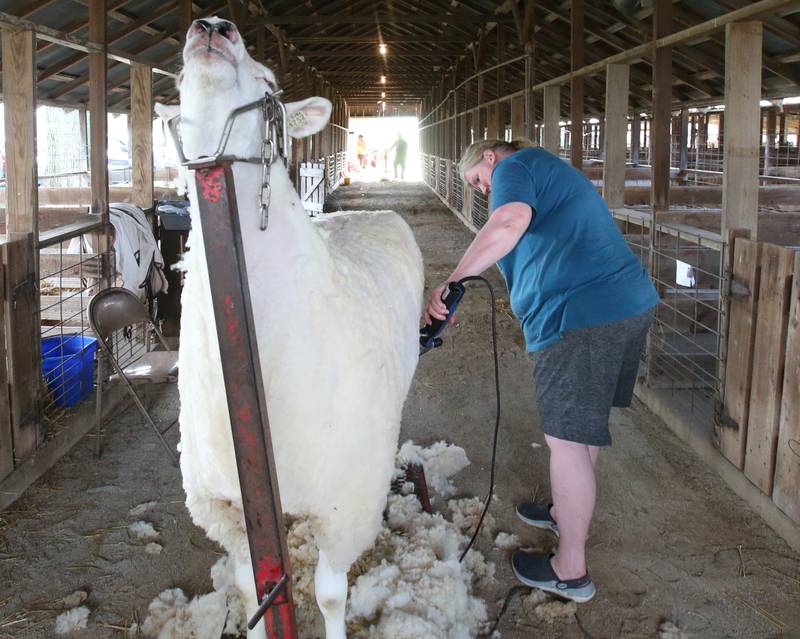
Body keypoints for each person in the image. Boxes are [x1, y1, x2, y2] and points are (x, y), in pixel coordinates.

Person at [423, 139, 659, 603]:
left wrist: (453, 281)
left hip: (583, 316)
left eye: (477, 179)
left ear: (489, 157)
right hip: (622, 304)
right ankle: (562, 510)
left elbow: (509, 221)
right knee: (583, 430)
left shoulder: (515, 166)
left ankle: (570, 570)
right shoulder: (542, 170)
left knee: (565, 440)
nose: (481, 188)